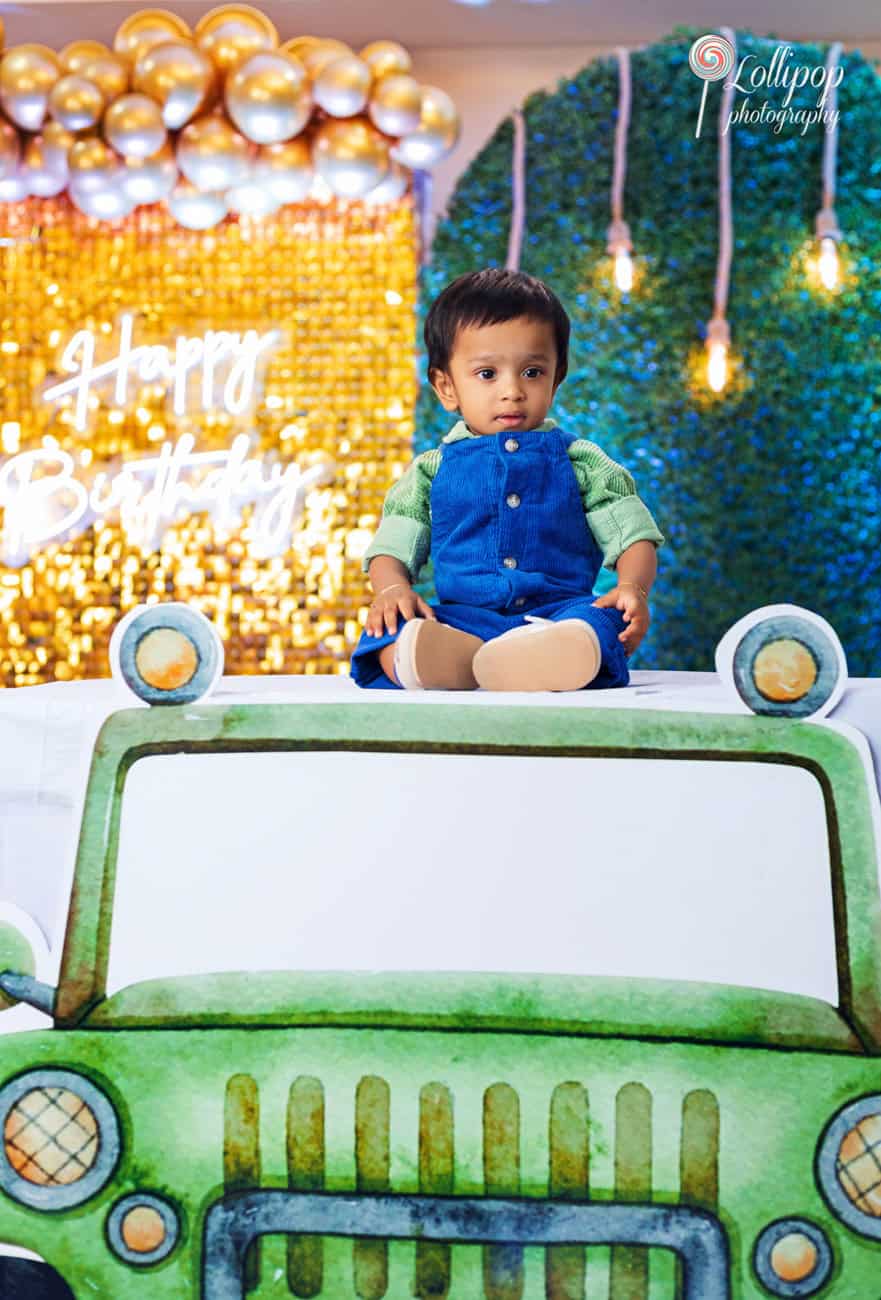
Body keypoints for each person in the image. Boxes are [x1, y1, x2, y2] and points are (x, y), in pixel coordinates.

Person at [349, 267, 664, 692]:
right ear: (446, 387)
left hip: (557, 615)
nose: (512, 390)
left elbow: (633, 535)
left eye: (532, 372)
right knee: (392, 629)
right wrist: (390, 589)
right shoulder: (431, 471)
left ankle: (540, 659)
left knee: (599, 620)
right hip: (462, 619)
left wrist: (632, 588)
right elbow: (393, 544)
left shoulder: (582, 462)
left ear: (556, 380)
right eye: (487, 374)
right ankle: (447, 660)